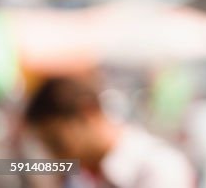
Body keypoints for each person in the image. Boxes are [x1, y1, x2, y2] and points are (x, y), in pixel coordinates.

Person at [22, 75, 196, 188]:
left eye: (56, 141)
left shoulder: (158, 166)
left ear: (87, 112)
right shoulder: (81, 175)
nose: (54, 154)